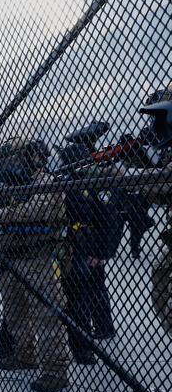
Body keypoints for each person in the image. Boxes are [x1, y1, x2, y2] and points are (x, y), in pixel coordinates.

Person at [0, 137, 71, 392]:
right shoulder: (9, 189)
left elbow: (36, 211)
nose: (8, 165)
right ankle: (26, 355)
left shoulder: (45, 182)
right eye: (6, 160)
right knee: (15, 315)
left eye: (14, 159)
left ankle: (55, 371)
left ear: (30, 159)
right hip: (10, 259)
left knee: (46, 317)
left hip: (38, 260)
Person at [60, 143, 126, 362]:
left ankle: (98, 331)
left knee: (87, 292)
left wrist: (100, 252)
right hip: (80, 244)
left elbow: (109, 220)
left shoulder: (96, 182)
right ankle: (100, 328)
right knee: (89, 289)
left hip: (90, 246)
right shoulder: (76, 181)